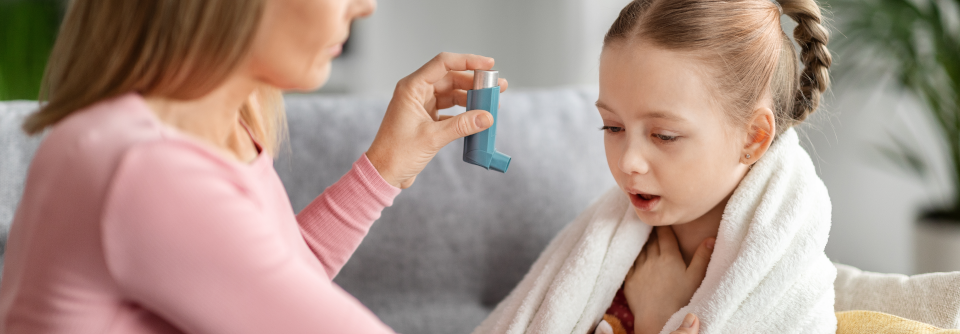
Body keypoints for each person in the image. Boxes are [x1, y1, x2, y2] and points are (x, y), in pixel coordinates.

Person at [0, 0, 508, 333]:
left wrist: (383, 170)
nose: (364, 6)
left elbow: (276, 280)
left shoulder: (218, 129)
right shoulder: (142, 168)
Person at [472, 0, 835, 333]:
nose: (627, 161)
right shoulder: (600, 249)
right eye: (612, 127)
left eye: (663, 135)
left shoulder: (790, 287)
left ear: (753, 138)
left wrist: (655, 320)